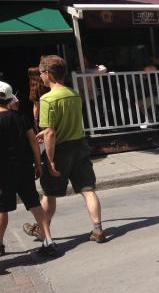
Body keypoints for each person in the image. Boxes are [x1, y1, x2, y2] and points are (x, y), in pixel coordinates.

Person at [22, 55, 105, 244]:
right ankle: (98, 228)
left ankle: (42, 229)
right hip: (80, 145)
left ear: (49, 74)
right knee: (88, 189)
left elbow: (50, 132)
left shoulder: (47, 100)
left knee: (50, 193)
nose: (41, 76)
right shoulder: (74, 94)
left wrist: (49, 160)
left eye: (42, 72)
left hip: (61, 149)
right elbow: (67, 122)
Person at [0, 81, 57, 257]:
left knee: (2, 209)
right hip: (23, 167)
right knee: (34, 204)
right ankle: (48, 241)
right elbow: (33, 141)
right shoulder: (20, 117)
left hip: (2, 171)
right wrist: (38, 164)